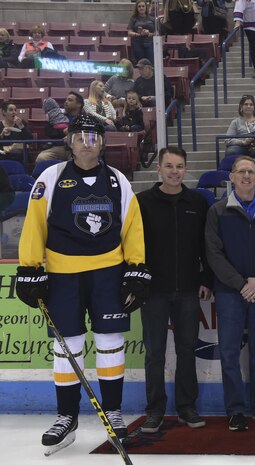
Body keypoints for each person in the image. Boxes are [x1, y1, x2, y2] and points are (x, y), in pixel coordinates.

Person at [15, 113, 150, 453]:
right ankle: (66, 418)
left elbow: (132, 226)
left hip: (108, 273)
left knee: (110, 343)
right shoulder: (51, 176)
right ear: (69, 141)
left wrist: (136, 267)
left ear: (103, 142)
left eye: (94, 137)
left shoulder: (119, 180)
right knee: (66, 346)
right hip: (63, 275)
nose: (87, 143)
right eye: (80, 137)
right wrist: (30, 268)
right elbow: (34, 226)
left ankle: (114, 413)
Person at [205, 155, 255, 432]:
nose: (246, 176)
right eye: (241, 171)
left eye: (251, 172)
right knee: (229, 352)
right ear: (231, 177)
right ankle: (235, 410)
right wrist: (241, 284)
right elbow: (213, 253)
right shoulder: (217, 211)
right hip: (230, 292)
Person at [136, 147, 212, 433]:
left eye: (180, 166)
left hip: (189, 290)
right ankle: (155, 410)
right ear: (159, 169)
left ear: (186, 169)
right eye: (169, 166)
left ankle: (186, 407)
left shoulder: (197, 202)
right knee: (154, 353)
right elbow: (134, 247)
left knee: (187, 350)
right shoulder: (142, 202)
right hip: (153, 291)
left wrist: (207, 279)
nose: (174, 171)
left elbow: (206, 247)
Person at [35, 93, 85, 163]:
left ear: (79, 104)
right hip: (58, 147)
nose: (66, 102)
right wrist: (62, 131)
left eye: (70, 100)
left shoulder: (85, 118)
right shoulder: (57, 116)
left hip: (77, 148)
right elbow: (48, 131)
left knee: (78, 160)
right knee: (41, 158)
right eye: (66, 100)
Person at [127, 0, 156, 65]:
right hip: (138, 43)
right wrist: (138, 34)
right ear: (137, 8)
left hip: (150, 43)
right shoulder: (133, 18)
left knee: (151, 64)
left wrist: (149, 33)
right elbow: (129, 33)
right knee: (140, 64)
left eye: (143, 6)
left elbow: (157, 33)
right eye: (139, 6)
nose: (141, 8)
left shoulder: (152, 19)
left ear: (146, 7)